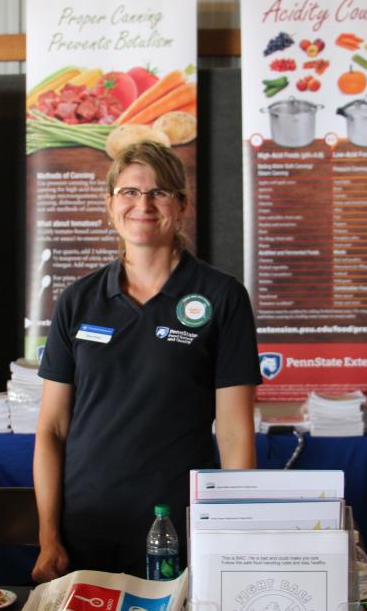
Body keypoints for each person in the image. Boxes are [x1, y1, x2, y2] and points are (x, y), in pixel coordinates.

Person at [31, 141, 261, 582]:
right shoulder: (78, 300)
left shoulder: (220, 296)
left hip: (177, 528)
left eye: (158, 193)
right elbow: (52, 429)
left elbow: (234, 432)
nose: (143, 205)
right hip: (86, 529)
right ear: (110, 203)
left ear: (182, 205)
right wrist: (48, 536)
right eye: (130, 192)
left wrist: (235, 536)